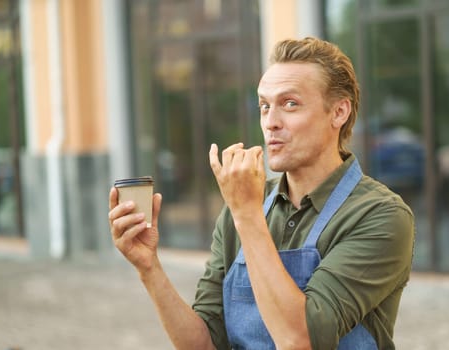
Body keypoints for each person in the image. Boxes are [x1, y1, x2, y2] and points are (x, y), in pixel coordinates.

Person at [108, 37, 415, 350]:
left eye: (290, 104)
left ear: (339, 112)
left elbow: (300, 339)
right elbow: (203, 344)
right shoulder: (243, 210)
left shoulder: (381, 215)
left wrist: (247, 215)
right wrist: (149, 268)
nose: (271, 123)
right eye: (264, 106)